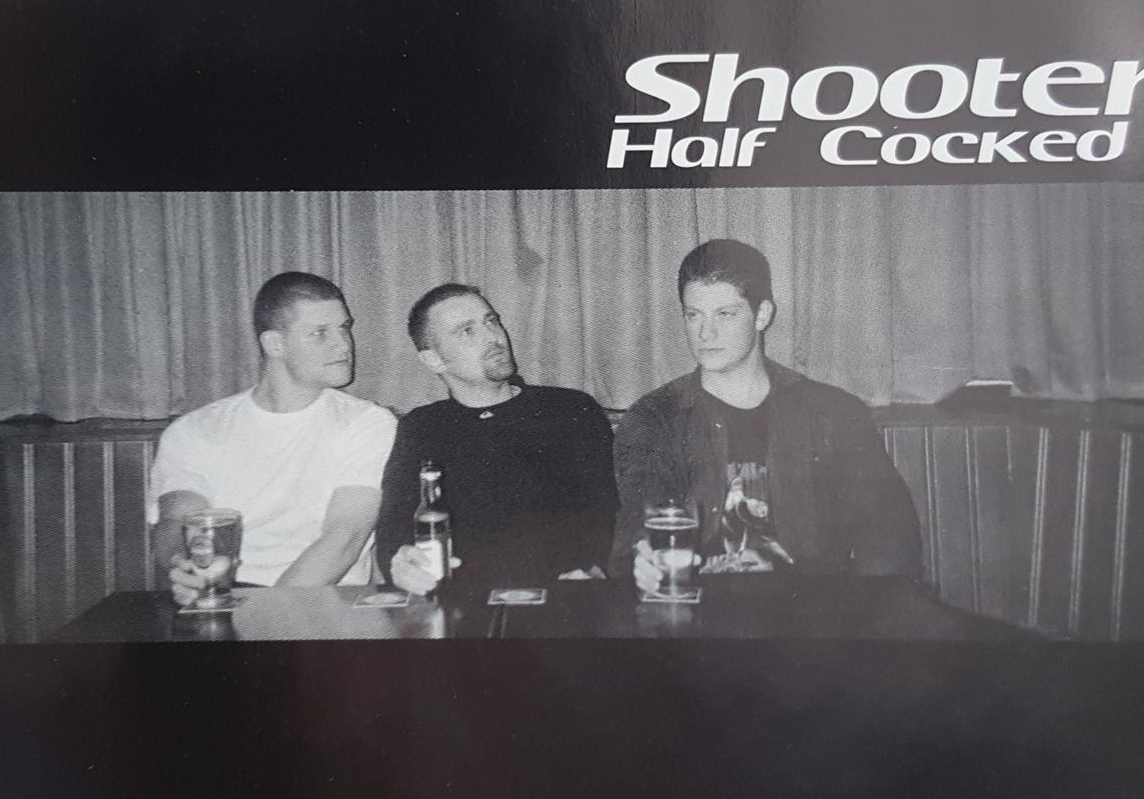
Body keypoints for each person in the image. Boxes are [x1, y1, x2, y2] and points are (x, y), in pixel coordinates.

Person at [614, 239, 921, 592]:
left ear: (762, 315)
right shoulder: (654, 418)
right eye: (693, 314)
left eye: (725, 314)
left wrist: (867, 610)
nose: (705, 334)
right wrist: (642, 557)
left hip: (811, 610)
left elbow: (889, 533)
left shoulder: (834, 412)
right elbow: (638, 523)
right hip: (700, 607)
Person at [150, 272, 396, 601]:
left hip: (324, 600)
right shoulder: (195, 429)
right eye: (320, 333)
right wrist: (182, 567)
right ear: (275, 344)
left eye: (344, 328)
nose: (343, 344)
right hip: (223, 598)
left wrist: (266, 617)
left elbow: (345, 536)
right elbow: (176, 521)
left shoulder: (367, 423)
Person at [375, 284, 617, 595]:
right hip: (458, 601)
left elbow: (608, 510)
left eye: (491, 321)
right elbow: (393, 532)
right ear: (434, 360)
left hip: (561, 597)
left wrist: (593, 567)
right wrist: (402, 565)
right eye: (467, 331)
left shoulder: (569, 409)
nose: (494, 337)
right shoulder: (422, 428)